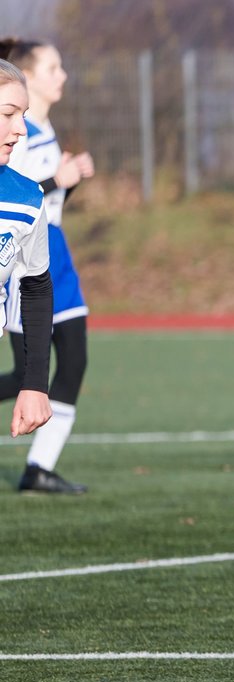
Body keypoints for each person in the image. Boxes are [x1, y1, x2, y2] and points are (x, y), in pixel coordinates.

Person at [0, 38, 91, 492]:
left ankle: (40, 466)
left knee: (71, 360)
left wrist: (65, 182)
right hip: (32, 257)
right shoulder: (21, 138)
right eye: (53, 67)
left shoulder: (33, 142)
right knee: (21, 372)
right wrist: (60, 177)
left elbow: (35, 203)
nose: (63, 76)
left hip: (54, 255)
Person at [0, 57, 54, 441]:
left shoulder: (26, 198)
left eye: (24, 114)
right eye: (8, 114)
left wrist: (35, 384)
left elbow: (35, 287)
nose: (20, 129)